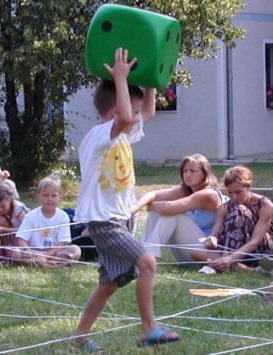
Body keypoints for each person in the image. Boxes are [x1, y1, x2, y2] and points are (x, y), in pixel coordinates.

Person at [71, 48, 179, 352]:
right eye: (127, 113)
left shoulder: (123, 134)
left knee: (109, 284)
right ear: (116, 112)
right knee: (147, 262)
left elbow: (148, 112)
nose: (135, 120)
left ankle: (79, 336)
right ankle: (149, 329)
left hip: (119, 219)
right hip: (104, 221)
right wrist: (119, 77)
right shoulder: (99, 135)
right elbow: (129, 116)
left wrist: (150, 80)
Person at [133, 154, 225, 262]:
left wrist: (151, 205)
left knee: (175, 214)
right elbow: (152, 194)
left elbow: (167, 209)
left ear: (204, 174)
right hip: (186, 252)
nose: (187, 175)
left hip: (205, 254)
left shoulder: (209, 195)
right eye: (185, 171)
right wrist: (135, 208)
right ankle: (142, 255)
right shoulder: (187, 191)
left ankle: (149, 257)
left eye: (192, 171)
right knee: (156, 213)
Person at [191, 165, 273, 272]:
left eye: (238, 192)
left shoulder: (265, 206)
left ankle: (226, 264)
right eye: (230, 193)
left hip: (261, 250)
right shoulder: (224, 207)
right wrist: (211, 240)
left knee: (239, 209)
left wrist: (229, 258)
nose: (233, 197)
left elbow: (255, 242)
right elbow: (214, 235)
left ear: (248, 187)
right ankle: (246, 269)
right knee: (195, 252)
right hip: (232, 249)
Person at [12, 176, 80, 267]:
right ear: (38, 196)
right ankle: (50, 265)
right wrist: (29, 251)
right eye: (45, 195)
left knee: (75, 250)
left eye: (54, 195)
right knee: (16, 253)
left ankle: (45, 264)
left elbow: (62, 243)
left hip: (54, 253)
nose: (50, 199)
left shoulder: (63, 217)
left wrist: (45, 256)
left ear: (60, 196)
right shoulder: (31, 215)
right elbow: (21, 239)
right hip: (34, 253)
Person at [0, 180, 29, 263]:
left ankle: (13, 255)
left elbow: (27, 230)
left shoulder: (18, 209)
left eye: (3, 206)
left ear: (10, 199)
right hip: (11, 243)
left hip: (25, 243)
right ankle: (4, 253)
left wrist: (5, 230)